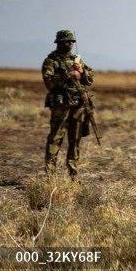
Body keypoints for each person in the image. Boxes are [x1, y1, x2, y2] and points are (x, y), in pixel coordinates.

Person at [41, 30, 95, 179]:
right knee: (56, 138)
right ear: (59, 42)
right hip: (61, 105)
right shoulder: (51, 61)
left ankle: (73, 173)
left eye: (72, 41)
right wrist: (68, 75)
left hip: (77, 105)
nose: (70, 44)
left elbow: (90, 79)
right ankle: (51, 175)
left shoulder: (76, 60)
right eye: (67, 41)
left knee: (75, 138)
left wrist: (82, 72)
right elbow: (49, 82)